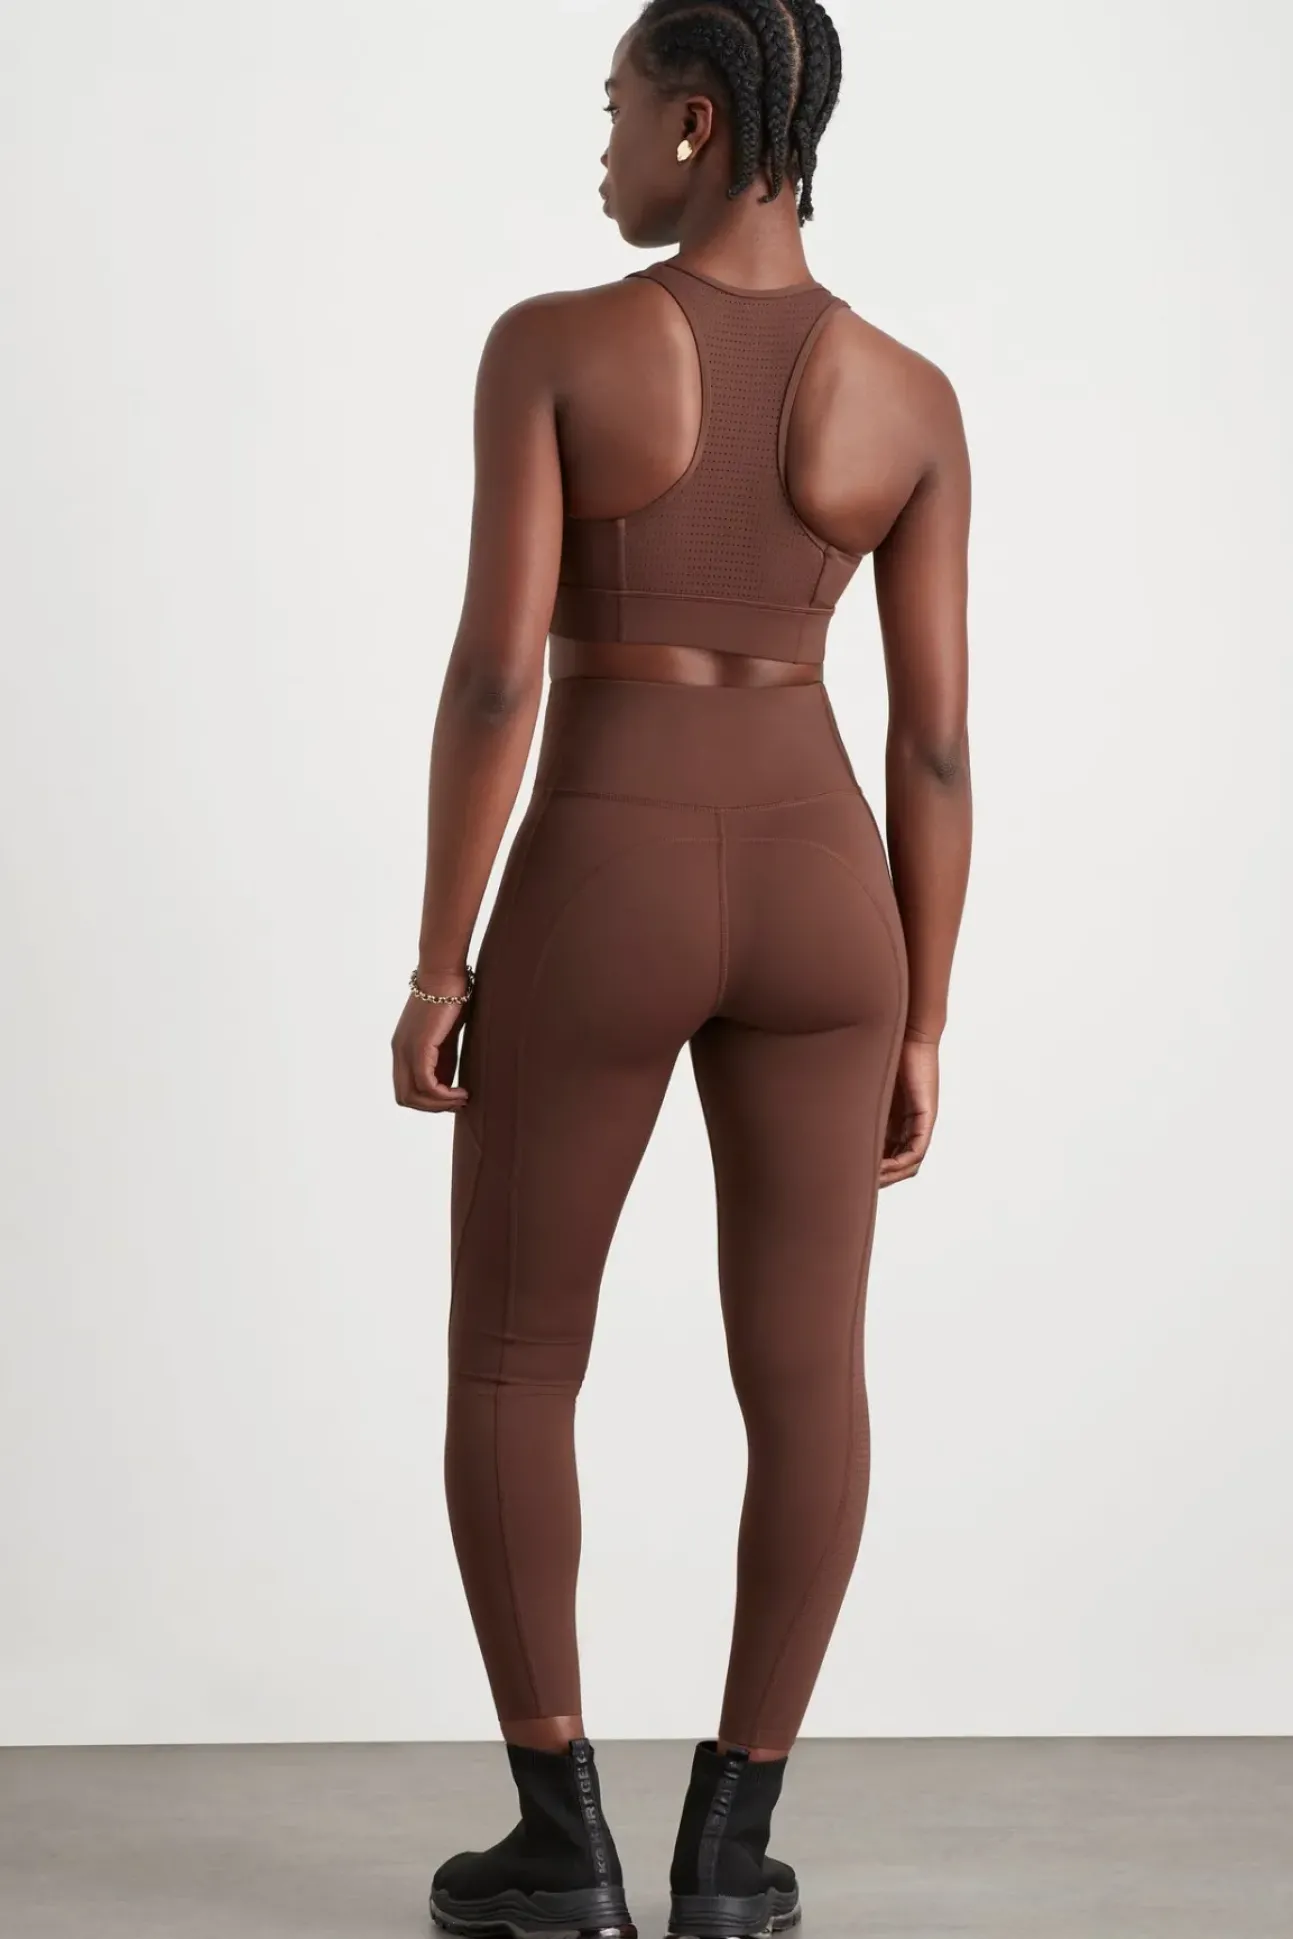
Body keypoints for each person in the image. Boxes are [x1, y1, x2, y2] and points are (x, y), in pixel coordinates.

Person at [390, 2, 972, 1934]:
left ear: (700, 122)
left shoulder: (554, 348)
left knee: (515, 1350)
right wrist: (929, 1011)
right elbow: (937, 748)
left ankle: (564, 1847)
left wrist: (438, 958)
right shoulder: (912, 397)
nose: (605, 147)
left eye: (620, 108)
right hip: (830, 897)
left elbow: (499, 673)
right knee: (809, 1377)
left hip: (609, 871)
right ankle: (734, 1853)